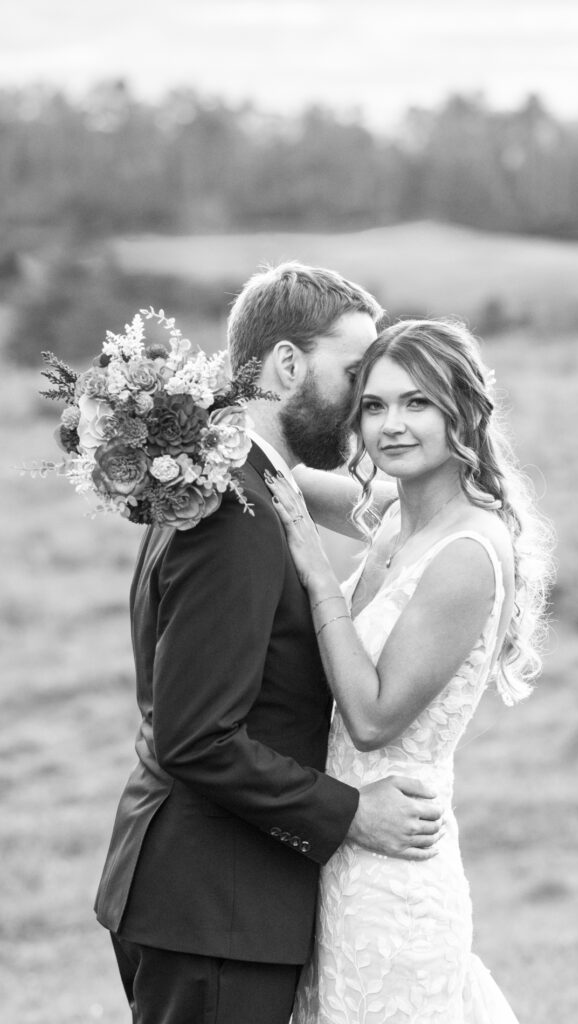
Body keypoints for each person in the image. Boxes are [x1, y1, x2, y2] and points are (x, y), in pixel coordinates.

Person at [94, 265, 446, 1024]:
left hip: (213, 901)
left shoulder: (235, 481)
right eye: (353, 375)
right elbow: (197, 739)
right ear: (287, 365)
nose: (362, 404)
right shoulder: (234, 510)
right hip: (215, 905)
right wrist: (348, 812)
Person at [266, 317, 554, 1023]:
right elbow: (274, 474)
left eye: (417, 402)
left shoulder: (466, 552)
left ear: (462, 411)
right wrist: (177, 424)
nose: (391, 425)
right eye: (373, 404)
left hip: (394, 874)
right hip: (340, 850)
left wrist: (316, 572)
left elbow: (371, 717)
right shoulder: (399, 517)